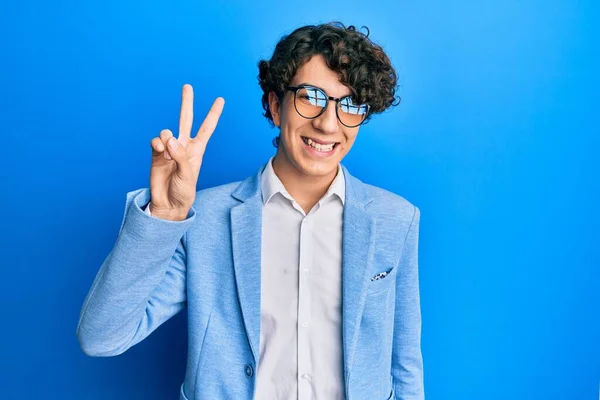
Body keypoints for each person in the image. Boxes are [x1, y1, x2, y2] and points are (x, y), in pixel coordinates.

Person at [76, 22, 424, 400]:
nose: (327, 124)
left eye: (350, 105)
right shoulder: (204, 220)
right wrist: (164, 213)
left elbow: (403, 363)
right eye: (311, 97)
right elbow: (101, 337)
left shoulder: (396, 219)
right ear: (276, 106)